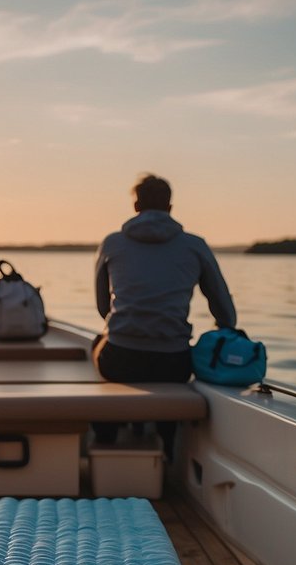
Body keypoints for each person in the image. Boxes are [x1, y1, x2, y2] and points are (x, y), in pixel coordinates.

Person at [93, 173, 237, 454]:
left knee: (97, 345)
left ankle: (108, 434)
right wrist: (223, 328)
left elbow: (103, 308)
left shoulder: (111, 243)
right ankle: (168, 447)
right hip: (173, 362)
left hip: (120, 358)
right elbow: (224, 311)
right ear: (170, 208)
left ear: (136, 206)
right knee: (170, 366)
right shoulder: (195, 245)